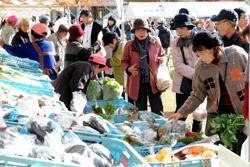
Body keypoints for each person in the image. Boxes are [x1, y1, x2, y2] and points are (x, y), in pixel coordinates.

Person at [169, 31, 248, 155]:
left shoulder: (236, 55)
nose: (200, 56)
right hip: (217, 116)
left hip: (241, 112)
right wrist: (180, 112)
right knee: (216, 152)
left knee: (241, 150)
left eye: (203, 52)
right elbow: (197, 94)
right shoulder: (200, 67)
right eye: (198, 53)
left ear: (216, 48)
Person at [121, 18, 165, 115]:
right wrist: (129, 68)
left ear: (147, 31)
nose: (141, 32)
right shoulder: (129, 45)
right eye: (138, 30)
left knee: (158, 110)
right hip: (137, 82)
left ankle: (160, 128)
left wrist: (162, 59)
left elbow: (162, 54)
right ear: (134, 32)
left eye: (143, 30)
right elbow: (123, 61)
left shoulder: (155, 42)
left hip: (153, 81)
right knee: (141, 112)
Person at [170, 13, 201, 132]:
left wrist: (199, 76)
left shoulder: (200, 39)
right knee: (181, 112)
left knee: (198, 114)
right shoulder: (175, 42)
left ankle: (196, 137)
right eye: (177, 28)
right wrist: (196, 75)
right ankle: (176, 136)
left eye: (182, 27)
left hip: (200, 83)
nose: (179, 30)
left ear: (189, 27)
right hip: (183, 82)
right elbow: (178, 65)